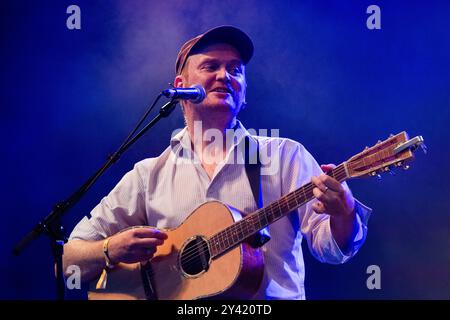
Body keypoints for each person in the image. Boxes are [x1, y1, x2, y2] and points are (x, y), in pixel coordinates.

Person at [63, 25, 371, 300]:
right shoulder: (148, 175)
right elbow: (67, 261)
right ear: (181, 85)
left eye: (235, 69)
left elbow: (331, 249)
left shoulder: (284, 156)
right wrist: (108, 250)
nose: (225, 75)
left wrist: (343, 213)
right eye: (211, 66)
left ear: (244, 91)